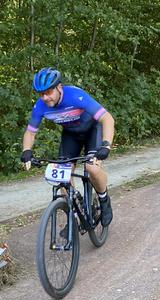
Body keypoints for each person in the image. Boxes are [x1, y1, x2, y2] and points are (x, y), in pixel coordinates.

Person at [20, 67, 115, 227]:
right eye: (41, 94)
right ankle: (77, 214)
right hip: (71, 135)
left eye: (48, 92)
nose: (45, 97)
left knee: (92, 169)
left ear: (59, 87)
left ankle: (104, 199)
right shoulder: (40, 106)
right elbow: (30, 132)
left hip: (92, 130)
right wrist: (26, 150)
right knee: (62, 177)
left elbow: (107, 118)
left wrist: (106, 145)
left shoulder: (75, 96)